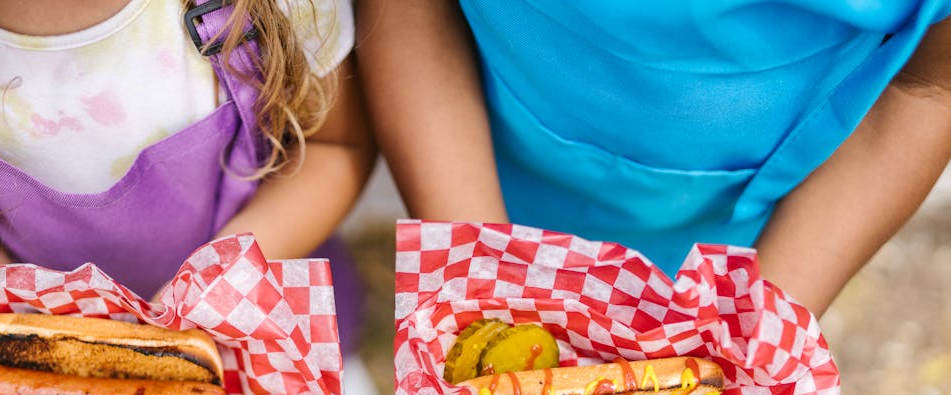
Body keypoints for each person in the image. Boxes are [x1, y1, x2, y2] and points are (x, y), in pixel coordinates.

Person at [0, 0, 380, 395]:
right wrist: (2, 298)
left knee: (323, 333)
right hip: (39, 300)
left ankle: (335, 378)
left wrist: (214, 282)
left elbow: (337, 147)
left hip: (260, 263)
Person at [355, 0, 951, 318]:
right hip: (478, 144)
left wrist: (758, 325)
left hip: (766, 215)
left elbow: (929, 88)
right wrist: (486, 273)